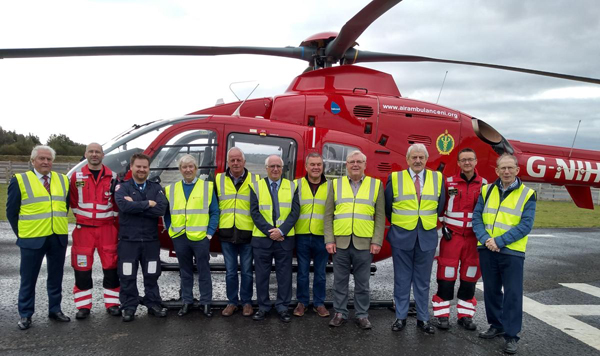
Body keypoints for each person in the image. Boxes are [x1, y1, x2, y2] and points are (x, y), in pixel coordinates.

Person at [472, 153, 536, 355]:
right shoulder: (486, 191)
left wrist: (499, 241)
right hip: (487, 248)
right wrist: (485, 239)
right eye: (503, 168)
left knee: (513, 294)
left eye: (510, 168)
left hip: (512, 252)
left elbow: (526, 225)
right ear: (496, 171)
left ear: (517, 170)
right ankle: (496, 325)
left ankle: (511, 335)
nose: (506, 172)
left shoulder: (528, 194)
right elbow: (477, 218)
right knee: (491, 290)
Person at [6, 145, 71, 330]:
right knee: (28, 278)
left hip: (57, 237)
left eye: (49, 159)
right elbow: (11, 212)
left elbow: (64, 206)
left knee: (56, 277)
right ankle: (26, 314)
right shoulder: (20, 180)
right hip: (32, 238)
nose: (45, 162)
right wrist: (23, 233)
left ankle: (55, 309)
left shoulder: (62, 180)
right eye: (41, 158)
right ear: (33, 160)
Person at [385, 143, 445, 334]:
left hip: (426, 236)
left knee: (423, 281)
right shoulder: (395, 178)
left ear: (426, 159)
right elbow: (388, 207)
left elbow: (441, 205)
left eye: (421, 157)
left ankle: (423, 319)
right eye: (414, 157)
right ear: (407, 159)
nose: (418, 161)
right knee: (401, 279)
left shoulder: (438, 178)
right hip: (402, 235)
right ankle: (400, 317)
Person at [324, 150, 385, 330]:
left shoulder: (376, 185)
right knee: (339, 282)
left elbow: (380, 217)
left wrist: (377, 241)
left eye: (359, 161)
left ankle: (362, 315)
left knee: (363, 283)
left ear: (365, 165)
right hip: (340, 242)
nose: (355, 165)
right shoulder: (335, 184)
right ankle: (340, 313)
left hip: (364, 243)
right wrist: (329, 239)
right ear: (346, 165)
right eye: (352, 162)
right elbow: (328, 215)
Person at [432, 148, 486, 330]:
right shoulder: (448, 183)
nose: (467, 163)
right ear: (458, 163)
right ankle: (442, 315)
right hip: (452, 237)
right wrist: (443, 226)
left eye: (470, 159)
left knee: (470, 276)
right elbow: (438, 207)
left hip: (473, 238)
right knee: (446, 275)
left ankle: (465, 316)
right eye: (463, 160)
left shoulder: (485, 185)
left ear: (476, 161)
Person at [69, 142, 121, 320]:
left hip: (107, 229)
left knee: (111, 267)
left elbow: (116, 205)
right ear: (85, 154)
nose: (94, 154)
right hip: (84, 230)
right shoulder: (76, 177)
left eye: (97, 152)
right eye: (91, 151)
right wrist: (84, 219)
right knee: (82, 268)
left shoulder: (113, 177)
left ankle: (113, 304)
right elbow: (73, 202)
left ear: (103, 155)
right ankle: (83, 306)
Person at [114, 153, 168, 322]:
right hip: (129, 240)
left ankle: (153, 304)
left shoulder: (156, 188)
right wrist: (147, 204)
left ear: (148, 168)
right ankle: (129, 306)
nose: (142, 170)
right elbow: (123, 206)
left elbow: (160, 210)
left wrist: (135, 205)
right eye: (138, 166)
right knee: (127, 275)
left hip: (150, 241)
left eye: (145, 167)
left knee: (152, 274)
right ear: (131, 167)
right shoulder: (122, 188)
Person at [164, 154, 219, 317]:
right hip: (180, 237)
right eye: (184, 167)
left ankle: (206, 302)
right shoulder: (171, 189)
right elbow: (166, 214)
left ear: (196, 168)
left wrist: (209, 233)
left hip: (201, 238)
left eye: (191, 166)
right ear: (180, 169)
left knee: (204, 271)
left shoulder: (207, 187)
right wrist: (170, 231)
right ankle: (186, 301)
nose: (188, 170)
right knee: (185, 271)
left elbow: (215, 212)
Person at [249, 154, 300, 323]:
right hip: (263, 240)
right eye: (272, 166)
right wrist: (271, 232)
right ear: (266, 169)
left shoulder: (292, 186)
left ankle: (283, 307)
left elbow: (295, 212)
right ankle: (263, 307)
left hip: (284, 240)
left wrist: (282, 231)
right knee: (262, 275)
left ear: (283, 168)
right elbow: (254, 213)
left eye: (278, 166)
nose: (276, 169)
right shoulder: (256, 186)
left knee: (284, 275)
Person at [215, 147, 259, 317]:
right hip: (226, 233)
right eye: (232, 160)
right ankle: (232, 302)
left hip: (247, 233)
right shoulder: (218, 179)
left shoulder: (255, 180)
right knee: (231, 271)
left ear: (244, 162)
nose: (235, 163)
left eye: (238, 160)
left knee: (247, 271)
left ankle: (246, 302)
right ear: (227, 162)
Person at [293, 153, 330, 318]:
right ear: (306, 167)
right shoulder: (296, 185)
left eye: (319, 164)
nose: (316, 167)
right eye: (312, 164)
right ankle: (302, 302)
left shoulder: (331, 187)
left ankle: (319, 303)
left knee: (321, 273)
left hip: (322, 236)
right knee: (302, 272)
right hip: (301, 235)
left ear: (323, 167)